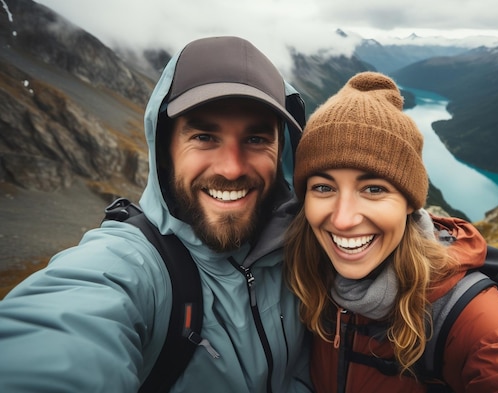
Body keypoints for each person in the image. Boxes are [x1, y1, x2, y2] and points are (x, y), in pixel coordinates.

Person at [0, 36, 312, 392]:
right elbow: (61, 330)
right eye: (205, 136)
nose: (231, 168)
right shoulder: (132, 268)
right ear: (165, 150)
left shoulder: (301, 254)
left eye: (256, 139)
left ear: (282, 152)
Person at [283, 71, 498, 392]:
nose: (343, 220)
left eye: (373, 189)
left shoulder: (460, 310)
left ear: (409, 203)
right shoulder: (299, 269)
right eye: (324, 188)